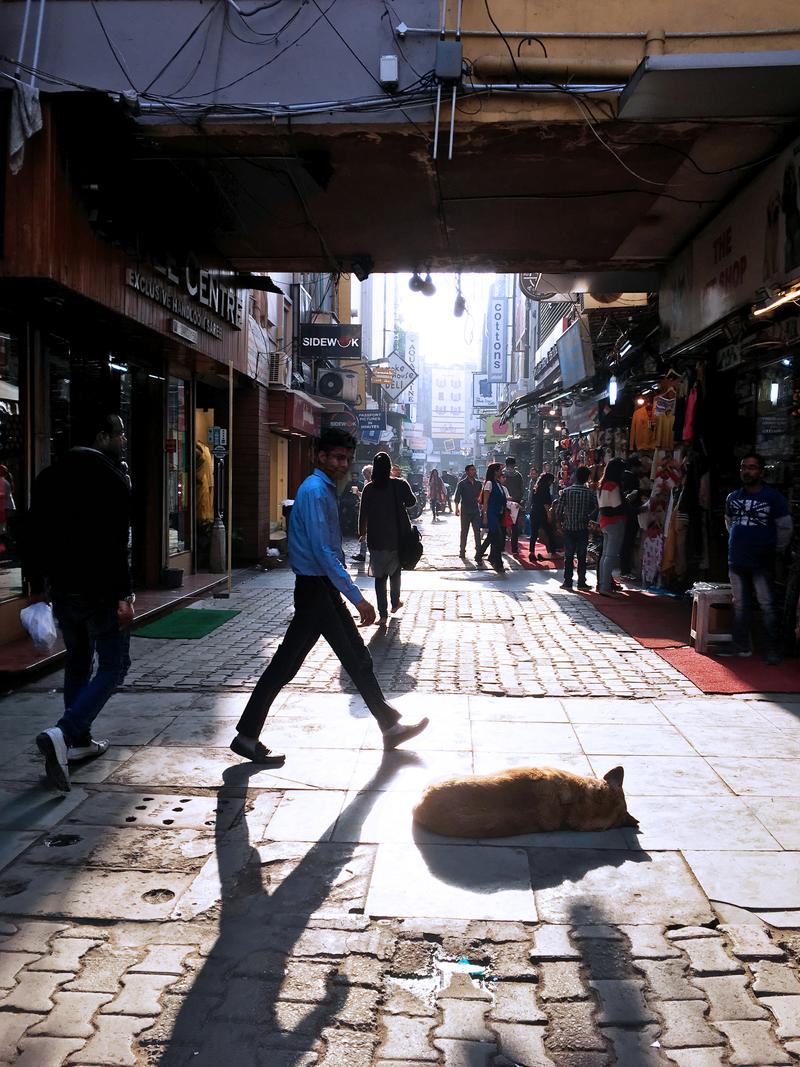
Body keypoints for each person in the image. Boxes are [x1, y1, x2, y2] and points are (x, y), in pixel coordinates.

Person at [230, 429, 428, 763]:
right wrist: (356, 596)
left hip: (319, 589)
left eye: (347, 458)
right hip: (316, 588)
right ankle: (247, 735)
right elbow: (324, 551)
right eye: (337, 457)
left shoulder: (321, 489)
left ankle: (388, 725)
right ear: (320, 456)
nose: (343, 463)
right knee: (320, 660)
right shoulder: (315, 491)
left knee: (345, 658)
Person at [26, 413, 134, 792]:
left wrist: (39, 585)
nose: (123, 440)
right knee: (114, 664)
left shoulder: (48, 477)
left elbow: (34, 534)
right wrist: (124, 593)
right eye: (119, 433)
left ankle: (80, 741)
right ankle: (65, 733)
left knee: (77, 659)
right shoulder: (111, 479)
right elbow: (116, 543)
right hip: (100, 590)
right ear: (102, 435)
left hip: (62, 589)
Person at [720, 452, 792, 663]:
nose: (747, 471)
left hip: (762, 559)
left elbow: (785, 528)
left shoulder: (773, 498)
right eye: (743, 467)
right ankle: (741, 644)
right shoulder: (733, 498)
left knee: (767, 604)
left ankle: (771, 648)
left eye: (751, 467)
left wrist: (775, 549)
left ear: (760, 471)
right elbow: (729, 523)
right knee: (740, 603)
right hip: (737, 558)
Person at [358, 452, 415, 622]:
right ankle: (395, 602)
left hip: (376, 538)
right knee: (395, 572)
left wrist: (362, 532)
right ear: (390, 467)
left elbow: (363, 513)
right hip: (397, 537)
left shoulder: (369, 488)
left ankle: (382, 615)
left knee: (379, 577)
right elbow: (412, 502)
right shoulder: (399, 484)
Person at [555, 465, 597, 591]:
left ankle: (567, 581)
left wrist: (559, 524)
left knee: (568, 556)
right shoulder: (589, 493)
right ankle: (581, 582)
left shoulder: (566, 492)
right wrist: (588, 517)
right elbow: (595, 508)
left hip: (569, 528)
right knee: (581, 556)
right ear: (586, 478)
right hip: (582, 528)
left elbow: (559, 511)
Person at [597, 457, 628, 597]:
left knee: (605, 555)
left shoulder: (602, 484)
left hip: (604, 521)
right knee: (610, 555)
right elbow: (617, 506)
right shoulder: (613, 486)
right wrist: (628, 501)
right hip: (615, 522)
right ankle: (605, 586)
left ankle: (603, 584)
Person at [479, 462, 510, 573]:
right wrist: (485, 515)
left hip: (498, 514)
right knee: (497, 539)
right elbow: (485, 501)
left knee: (492, 537)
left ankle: (479, 555)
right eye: (499, 470)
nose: (501, 472)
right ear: (495, 471)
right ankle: (498, 563)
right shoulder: (489, 484)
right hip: (491, 514)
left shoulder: (498, 484)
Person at [454, 463, 482, 560]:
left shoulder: (479, 484)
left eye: (474, 470)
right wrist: (456, 508)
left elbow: (481, 497)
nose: (474, 471)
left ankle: (479, 552)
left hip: (475, 510)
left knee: (477, 532)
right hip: (465, 510)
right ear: (467, 472)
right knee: (464, 532)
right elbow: (457, 497)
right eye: (471, 470)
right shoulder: (461, 483)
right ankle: (462, 551)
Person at [529, 472, 556, 559]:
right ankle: (552, 551)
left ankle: (532, 552)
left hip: (534, 511)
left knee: (534, 533)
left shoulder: (536, 488)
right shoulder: (545, 489)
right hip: (542, 513)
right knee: (549, 532)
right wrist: (549, 515)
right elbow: (546, 504)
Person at [350, 464, 373, 563]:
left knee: (371, 533)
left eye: (366, 474)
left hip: (373, 511)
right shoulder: (366, 482)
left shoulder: (375, 483)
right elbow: (365, 496)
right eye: (364, 475)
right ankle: (362, 554)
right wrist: (358, 493)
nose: (365, 476)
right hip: (365, 510)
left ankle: (372, 553)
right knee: (363, 532)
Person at [502, 456, 525, 556]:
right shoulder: (518, 475)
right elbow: (522, 489)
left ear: (506, 464)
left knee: (503, 524)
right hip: (516, 502)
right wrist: (519, 500)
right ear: (514, 464)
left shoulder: (502, 474)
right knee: (515, 526)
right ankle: (515, 550)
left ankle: (502, 547)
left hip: (504, 502)